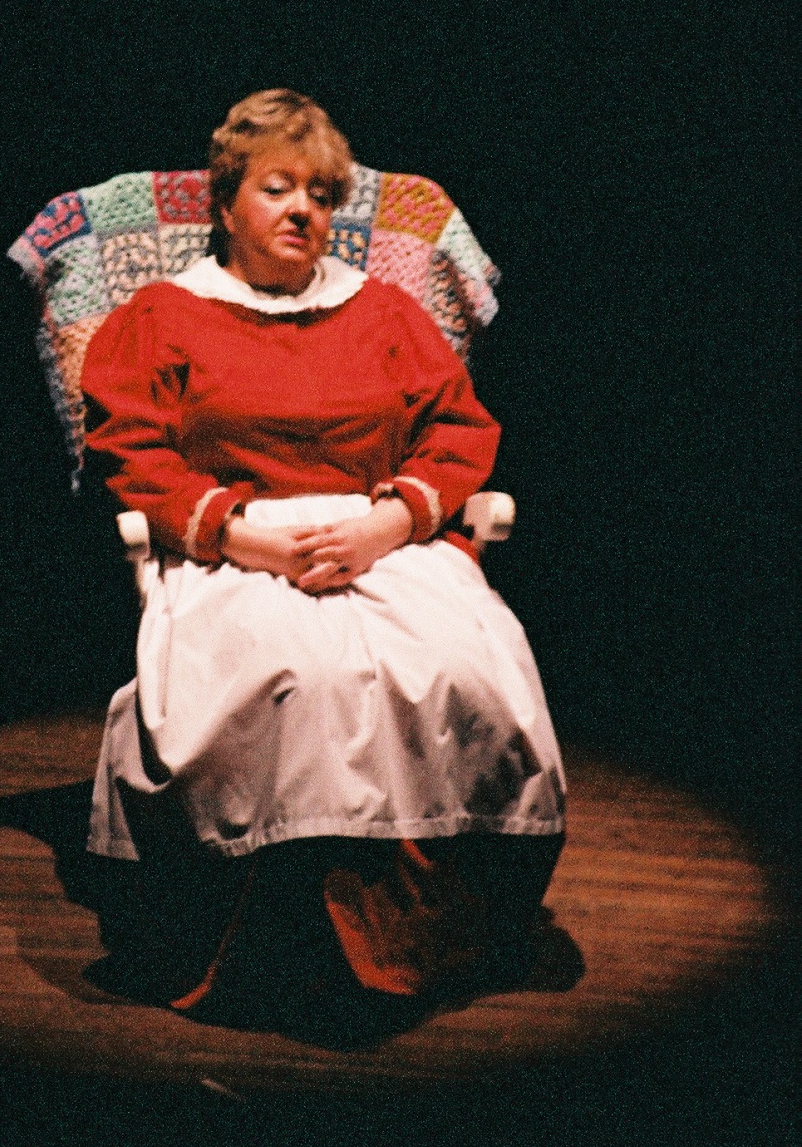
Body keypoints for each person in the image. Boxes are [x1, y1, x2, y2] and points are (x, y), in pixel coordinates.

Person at [80, 90, 566, 1036]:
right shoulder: (164, 315)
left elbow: (456, 430)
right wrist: (236, 533)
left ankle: (433, 937)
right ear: (227, 204)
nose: (302, 209)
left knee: (458, 669)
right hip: (235, 544)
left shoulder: (381, 311)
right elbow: (130, 448)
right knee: (295, 679)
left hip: (382, 536)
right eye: (277, 188)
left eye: (320, 192)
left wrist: (388, 524)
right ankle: (283, 951)